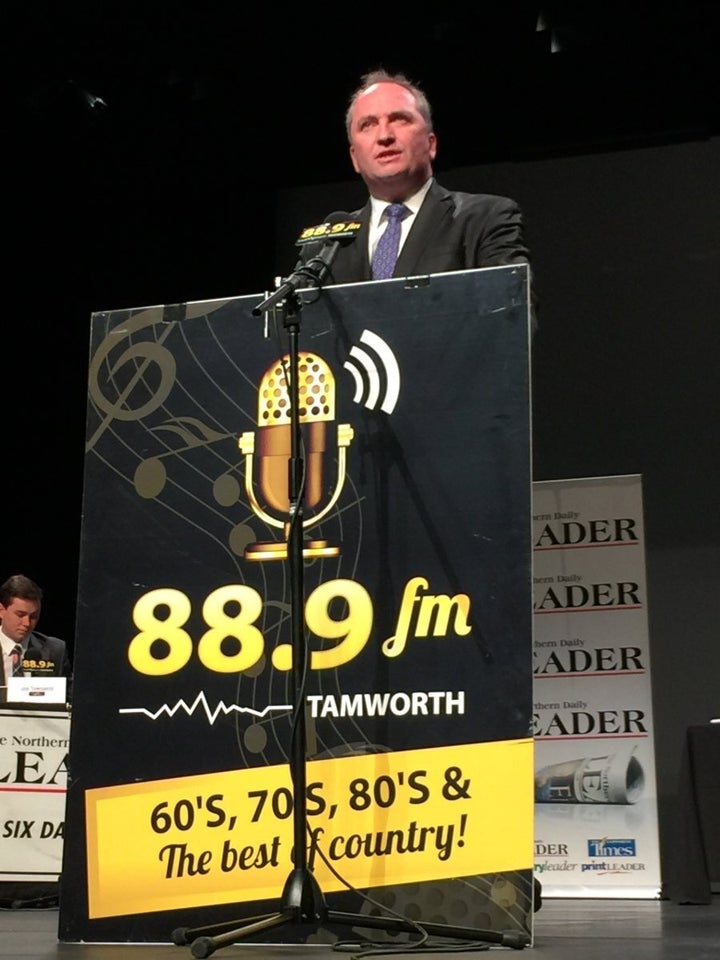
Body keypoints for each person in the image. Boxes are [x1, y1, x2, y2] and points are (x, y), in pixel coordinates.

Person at [295, 67, 535, 318]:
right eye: (368, 124)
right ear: (354, 158)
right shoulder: (326, 247)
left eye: (400, 119)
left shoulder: (486, 219)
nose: (385, 136)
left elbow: (513, 317)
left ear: (431, 144)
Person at [0, 574, 72, 701]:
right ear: (1, 610)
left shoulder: (55, 651)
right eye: (20, 614)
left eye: (33, 616)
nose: (27, 623)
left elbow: (71, 700)